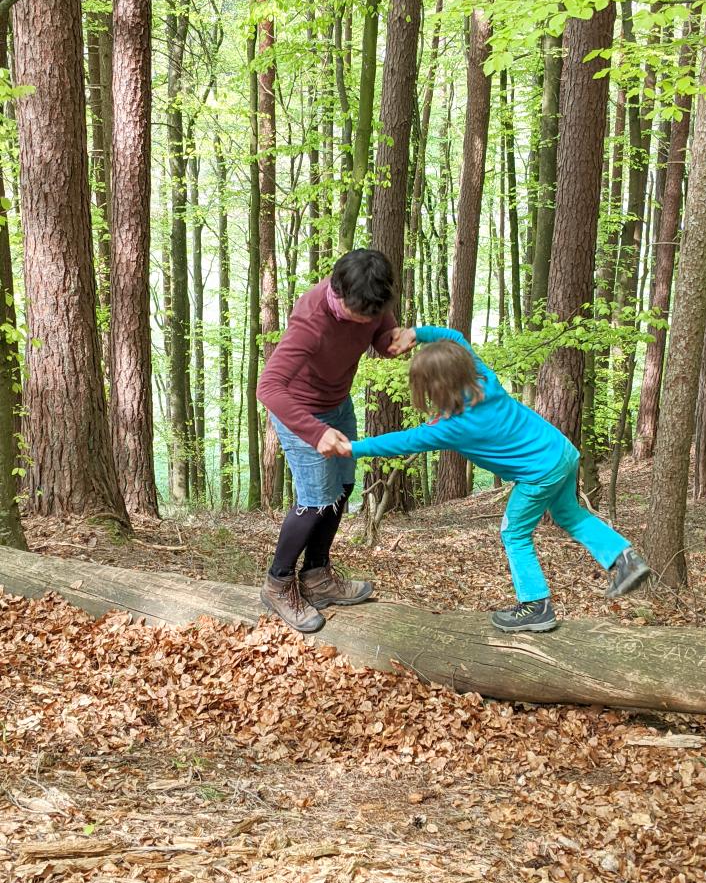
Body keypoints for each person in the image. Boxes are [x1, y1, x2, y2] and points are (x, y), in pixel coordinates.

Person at [335, 326, 651, 633]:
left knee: (514, 533)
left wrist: (352, 448)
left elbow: (401, 442)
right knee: (570, 514)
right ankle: (624, 558)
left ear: (433, 389)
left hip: (539, 474)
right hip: (562, 453)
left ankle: (536, 605)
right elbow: (455, 337)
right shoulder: (484, 377)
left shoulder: (453, 426)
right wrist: (416, 335)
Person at [257, 249, 411, 633]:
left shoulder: (371, 296)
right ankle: (277, 584)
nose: (367, 319)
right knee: (314, 500)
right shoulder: (311, 321)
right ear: (339, 293)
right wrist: (314, 431)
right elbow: (268, 387)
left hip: (337, 404)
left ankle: (317, 576)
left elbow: (378, 337)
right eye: (359, 313)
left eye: (373, 312)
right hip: (300, 413)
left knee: (342, 488)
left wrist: (392, 342)